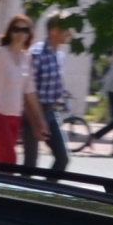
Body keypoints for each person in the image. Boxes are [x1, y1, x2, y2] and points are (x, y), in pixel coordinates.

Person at [0, 16, 33, 165]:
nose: (20, 33)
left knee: (2, 163)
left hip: (15, 115)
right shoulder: (0, 54)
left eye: (24, 30)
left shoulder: (26, 58)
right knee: (8, 161)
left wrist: (39, 120)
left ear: (29, 33)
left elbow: (29, 91)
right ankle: (5, 188)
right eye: (16, 29)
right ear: (10, 32)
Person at [23, 16, 72, 171]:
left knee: (63, 159)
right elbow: (26, 91)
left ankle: (47, 193)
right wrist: (36, 121)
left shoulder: (59, 55)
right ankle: (19, 195)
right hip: (33, 113)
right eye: (66, 30)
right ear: (53, 31)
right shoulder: (36, 54)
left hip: (51, 112)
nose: (70, 33)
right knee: (30, 165)